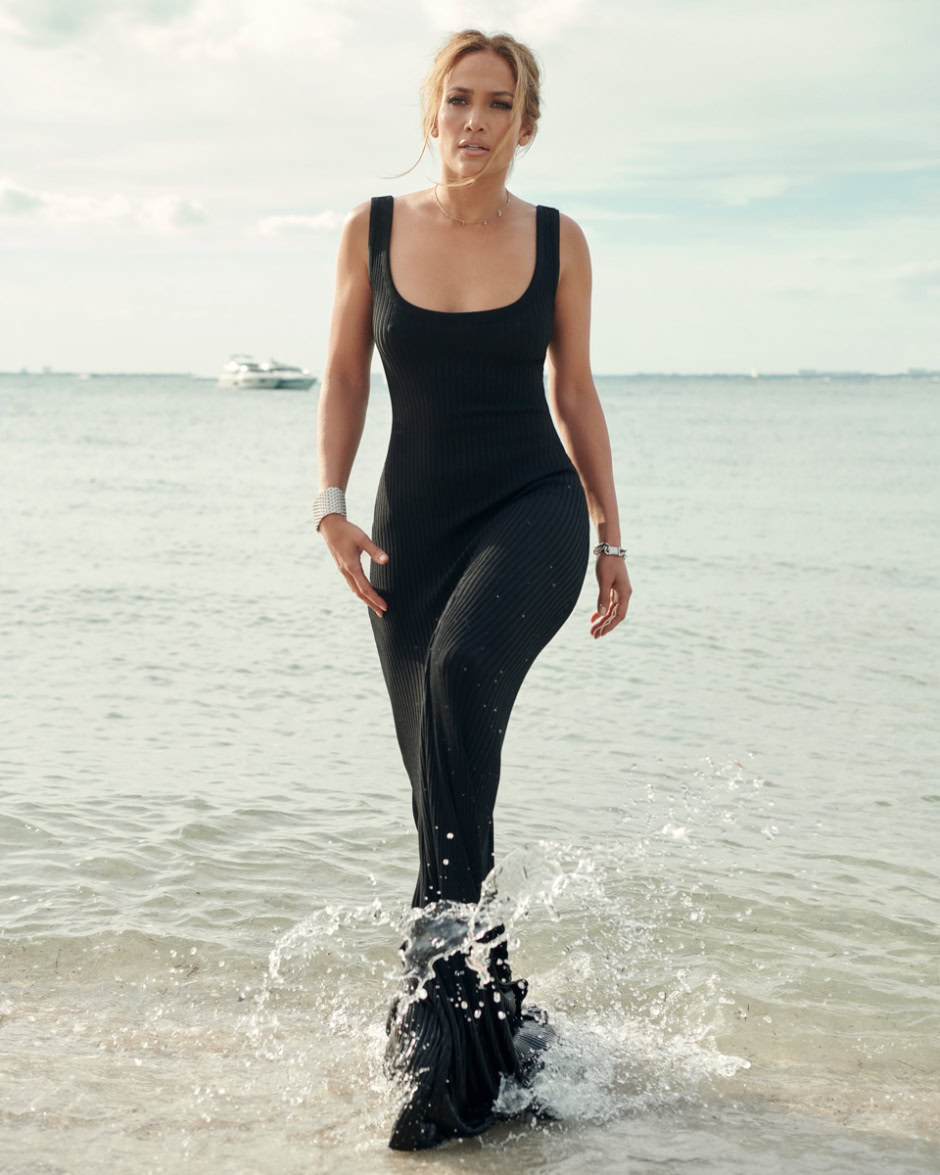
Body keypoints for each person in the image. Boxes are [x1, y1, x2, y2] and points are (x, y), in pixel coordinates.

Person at [314, 28, 631, 1150]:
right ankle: (480, 1031)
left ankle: (444, 1062)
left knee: (459, 673)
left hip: (532, 510)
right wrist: (328, 504)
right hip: (410, 530)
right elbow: (346, 367)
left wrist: (608, 532)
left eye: (499, 104)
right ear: (431, 111)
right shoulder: (374, 227)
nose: (476, 122)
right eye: (459, 100)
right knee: (440, 795)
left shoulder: (556, 240)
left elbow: (576, 388)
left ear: (524, 123)